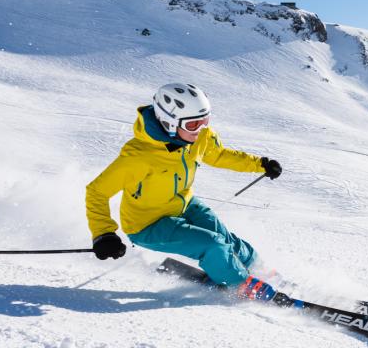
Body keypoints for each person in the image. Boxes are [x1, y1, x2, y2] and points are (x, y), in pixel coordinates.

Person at [84, 83, 284, 300]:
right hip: (148, 225)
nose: (200, 129)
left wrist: (260, 164)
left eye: (204, 121)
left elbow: (218, 155)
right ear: (169, 122)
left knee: (227, 239)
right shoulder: (138, 157)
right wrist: (103, 234)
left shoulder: (198, 137)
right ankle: (240, 285)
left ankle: (259, 270)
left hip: (184, 205)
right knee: (213, 244)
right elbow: (96, 191)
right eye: (193, 124)